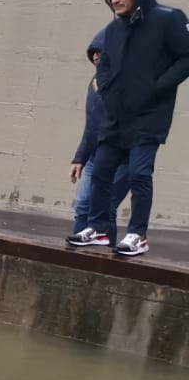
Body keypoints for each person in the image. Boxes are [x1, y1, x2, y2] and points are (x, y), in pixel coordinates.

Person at [66, 0, 189, 257]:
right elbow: (104, 65)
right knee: (102, 173)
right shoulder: (113, 29)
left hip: (149, 116)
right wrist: (109, 92)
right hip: (116, 117)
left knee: (138, 174)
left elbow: (186, 57)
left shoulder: (169, 19)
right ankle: (98, 229)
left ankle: (138, 234)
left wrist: (156, 87)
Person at [67, 32, 126, 244]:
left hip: (121, 158)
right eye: (93, 53)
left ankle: (104, 261)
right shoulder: (94, 83)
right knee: (82, 206)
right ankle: (76, 257)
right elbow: (92, 124)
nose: (95, 57)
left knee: (105, 209)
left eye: (100, 53)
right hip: (95, 156)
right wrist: (79, 158)